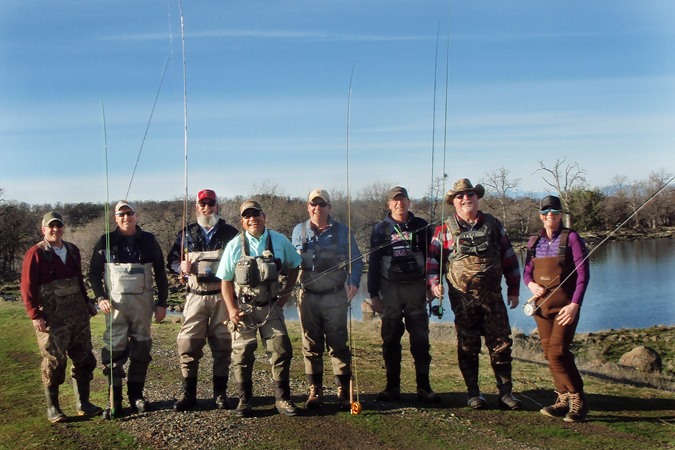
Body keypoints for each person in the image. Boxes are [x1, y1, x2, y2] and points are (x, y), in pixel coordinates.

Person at [427, 178, 521, 410]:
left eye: (470, 195)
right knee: (467, 346)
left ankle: (506, 393)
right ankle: (473, 393)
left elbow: (509, 257)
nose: (466, 199)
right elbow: (432, 261)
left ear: (477, 198)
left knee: (501, 344)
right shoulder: (444, 229)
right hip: (462, 300)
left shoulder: (494, 225)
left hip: (493, 298)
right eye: (460, 196)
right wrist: (434, 283)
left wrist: (514, 289)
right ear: (454, 202)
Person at [216, 200, 302, 417]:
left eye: (256, 214)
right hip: (244, 308)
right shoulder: (234, 245)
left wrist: (285, 295)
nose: (252, 219)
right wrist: (231, 309)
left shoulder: (280, 240)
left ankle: (282, 399)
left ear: (265, 217)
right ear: (242, 221)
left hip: (272, 307)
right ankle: (244, 401)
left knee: (281, 349)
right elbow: (225, 281)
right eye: (247, 216)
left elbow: (295, 265)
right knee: (242, 354)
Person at [89, 200, 168, 419]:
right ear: (115, 217)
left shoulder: (149, 240)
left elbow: (161, 272)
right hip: (115, 307)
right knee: (114, 351)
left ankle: (137, 396)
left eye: (130, 213)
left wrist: (162, 303)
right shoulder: (106, 241)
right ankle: (115, 400)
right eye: (121, 214)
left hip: (143, 306)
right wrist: (100, 297)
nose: (126, 218)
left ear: (136, 215)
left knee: (142, 350)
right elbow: (94, 274)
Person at [20, 211, 102, 423]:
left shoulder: (72, 251)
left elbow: (79, 282)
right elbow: (27, 287)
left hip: (78, 316)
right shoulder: (35, 254)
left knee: (85, 358)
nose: (55, 230)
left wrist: (88, 303)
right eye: (51, 227)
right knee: (54, 362)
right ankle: (53, 409)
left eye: (59, 226)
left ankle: (83, 404)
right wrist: (34, 315)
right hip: (51, 320)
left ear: (63, 227)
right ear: (44, 229)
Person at [291, 189, 364, 410]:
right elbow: (291, 262)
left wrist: (353, 282)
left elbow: (357, 261)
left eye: (322, 204)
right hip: (308, 297)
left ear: (329, 207)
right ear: (308, 207)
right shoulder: (298, 231)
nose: (317, 208)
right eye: (314, 204)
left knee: (338, 344)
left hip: (335, 296)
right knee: (310, 345)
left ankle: (342, 391)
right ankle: (316, 391)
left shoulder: (343, 231)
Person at [166, 189, 238, 411]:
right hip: (195, 297)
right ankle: (189, 394)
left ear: (217, 206)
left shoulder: (231, 233)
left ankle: (220, 393)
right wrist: (181, 267)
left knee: (223, 346)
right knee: (188, 344)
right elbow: (171, 261)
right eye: (202, 204)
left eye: (211, 204)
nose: (207, 208)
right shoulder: (186, 233)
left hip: (221, 297)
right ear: (197, 207)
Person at [368, 186, 438, 403]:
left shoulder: (422, 226)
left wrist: (431, 285)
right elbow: (374, 264)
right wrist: (373, 294)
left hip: (416, 289)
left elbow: (432, 257)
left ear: (409, 202)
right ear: (389, 204)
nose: (399, 203)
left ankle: (424, 388)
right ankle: (392, 387)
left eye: (403, 199)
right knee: (390, 339)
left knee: (420, 339)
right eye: (395, 200)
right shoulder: (380, 229)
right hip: (390, 291)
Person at [523, 195, 590, 422]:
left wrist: (574, 305)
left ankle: (577, 398)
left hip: (565, 307)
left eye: (553, 211)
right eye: (545, 212)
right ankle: (562, 400)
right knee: (548, 354)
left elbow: (583, 274)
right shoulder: (534, 242)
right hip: (542, 308)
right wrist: (531, 285)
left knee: (558, 352)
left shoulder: (571, 239)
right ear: (540, 216)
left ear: (561, 214)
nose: (549, 215)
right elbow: (526, 272)